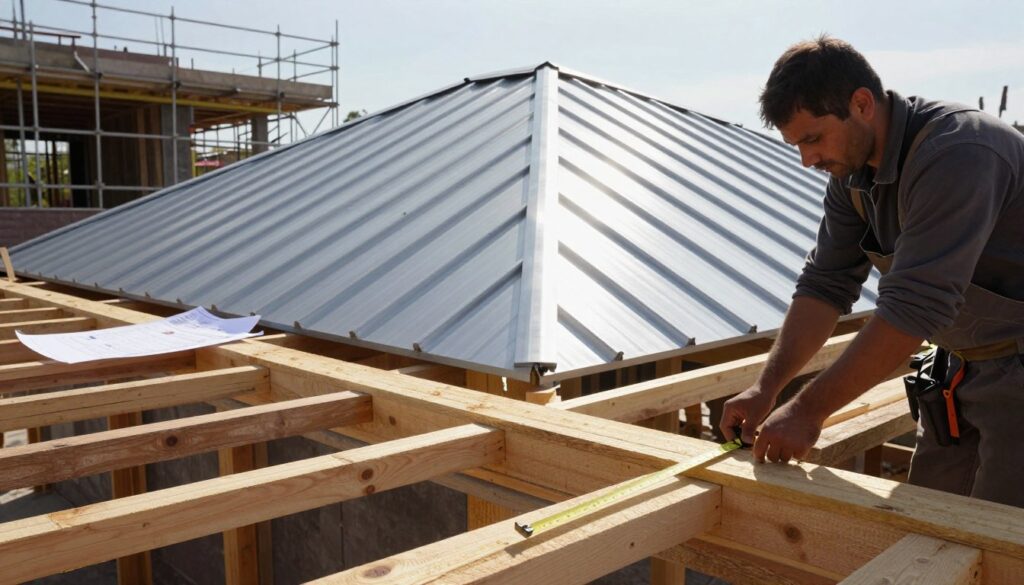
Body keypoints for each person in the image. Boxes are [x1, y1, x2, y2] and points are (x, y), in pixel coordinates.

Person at [719, 35, 1024, 507]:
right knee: (928, 523)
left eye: (813, 138)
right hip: (959, 366)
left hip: (1017, 368)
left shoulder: (959, 151)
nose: (807, 160)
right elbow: (825, 284)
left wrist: (807, 411)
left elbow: (914, 305)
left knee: (1003, 541)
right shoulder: (851, 174)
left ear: (861, 104)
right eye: (797, 145)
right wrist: (767, 388)